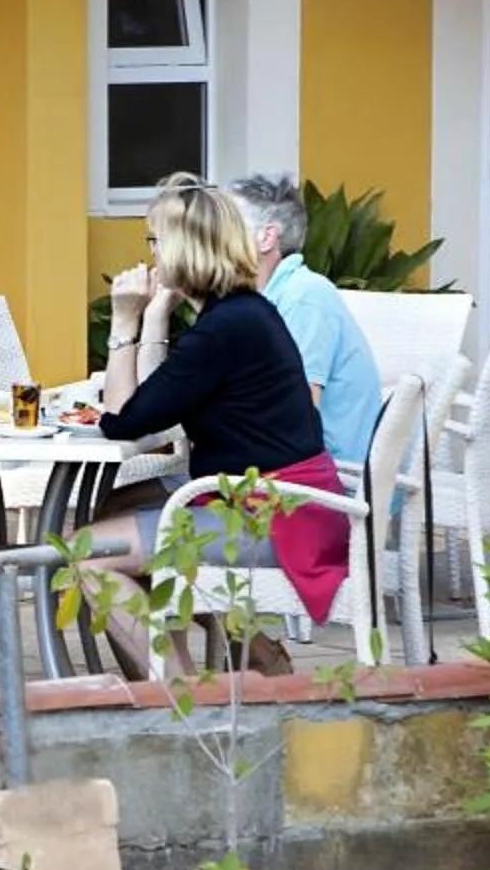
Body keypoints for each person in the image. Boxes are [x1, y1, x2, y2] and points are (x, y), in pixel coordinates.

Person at [82, 175, 350, 678]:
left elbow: (124, 421)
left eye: (155, 241)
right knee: (115, 507)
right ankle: (252, 653)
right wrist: (158, 315)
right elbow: (153, 404)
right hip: (284, 505)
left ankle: (184, 699)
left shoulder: (225, 330)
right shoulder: (240, 315)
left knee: (88, 553)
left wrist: (124, 324)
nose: (151, 255)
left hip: (275, 521)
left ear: (184, 249)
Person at [226, 172, 385, 475]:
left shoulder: (302, 298)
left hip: (322, 486)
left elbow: (295, 420)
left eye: (224, 226)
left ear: (266, 237)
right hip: (282, 473)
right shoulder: (261, 300)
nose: (210, 237)